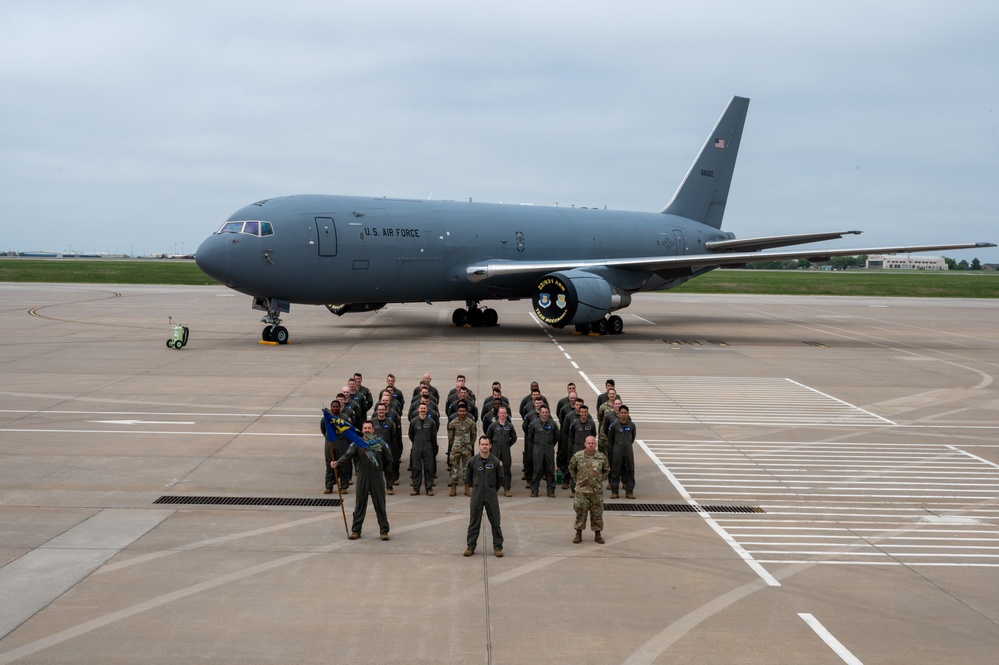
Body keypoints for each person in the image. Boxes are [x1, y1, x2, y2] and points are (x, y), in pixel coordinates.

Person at [330, 421, 392, 540]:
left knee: (380, 505)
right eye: (365, 428)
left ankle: (384, 531)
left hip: (377, 477)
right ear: (362, 430)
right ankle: (356, 530)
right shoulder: (356, 444)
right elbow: (348, 455)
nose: (367, 430)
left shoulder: (380, 443)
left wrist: (379, 469)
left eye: (369, 428)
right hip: (362, 477)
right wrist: (337, 462)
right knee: (360, 505)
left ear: (373, 430)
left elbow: (389, 458)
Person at [464, 436, 504, 557]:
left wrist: (491, 489)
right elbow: (468, 478)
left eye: (487, 444)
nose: (484, 446)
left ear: (490, 446)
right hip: (477, 494)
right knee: (474, 521)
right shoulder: (472, 462)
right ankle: (470, 546)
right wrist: (476, 487)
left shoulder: (496, 462)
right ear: (479, 446)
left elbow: (500, 478)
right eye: (482, 444)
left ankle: (498, 547)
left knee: (495, 521)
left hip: (491, 494)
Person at [568, 436, 609, 544]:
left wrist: (599, 479)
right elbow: (571, 468)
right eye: (589, 443)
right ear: (585, 444)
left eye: (593, 443)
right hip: (582, 491)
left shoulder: (601, 457)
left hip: (596, 491)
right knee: (580, 513)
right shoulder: (578, 456)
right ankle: (578, 534)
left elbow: (606, 470)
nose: (591, 445)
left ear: (595, 445)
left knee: (597, 514)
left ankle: (598, 534)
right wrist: (577, 480)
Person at [527, 404, 559, 497]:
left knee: (550, 471)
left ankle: (551, 490)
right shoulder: (534, 424)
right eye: (543, 412)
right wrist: (538, 445)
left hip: (549, 449)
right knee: (537, 470)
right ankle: (534, 490)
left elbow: (556, 436)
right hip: (537, 450)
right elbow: (531, 437)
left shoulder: (552, 424)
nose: (544, 414)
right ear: (540, 413)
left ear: (548, 413)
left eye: (546, 412)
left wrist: (550, 445)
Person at [321, 398, 352, 494]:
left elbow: (349, 431)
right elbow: (323, 429)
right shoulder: (326, 418)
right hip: (329, 444)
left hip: (342, 443)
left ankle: (343, 486)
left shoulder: (344, 418)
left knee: (343, 465)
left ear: (340, 407)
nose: (335, 408)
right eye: (333, 407)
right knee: (329, 465)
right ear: (331, 407)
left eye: (336, 407)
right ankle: (329, 486)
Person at [485, 405, 517, 496]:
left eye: (504, 413)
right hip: (495, 450)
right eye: (501, 413)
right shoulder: (493, 426)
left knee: (506, 470)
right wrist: (492, 446)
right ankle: (492, 489)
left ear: (506, 414)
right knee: (493, 470)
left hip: (506, 451)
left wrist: (508, 444)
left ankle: (507, 489)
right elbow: (488, 437)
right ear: (498, 414)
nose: (502, 414)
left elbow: (514, 437)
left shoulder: (510, 426)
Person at [607, 405, 637, 499]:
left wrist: (626, 445)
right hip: (617, 450)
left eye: (625, 413)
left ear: (628, 414)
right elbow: (610, 438)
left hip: (628, 450)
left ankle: (629, 491)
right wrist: (618, 445)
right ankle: (614, 491)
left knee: (630, 470)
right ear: (619, 413)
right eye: (622, 413)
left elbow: (632, 437)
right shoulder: (614, 425)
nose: (623, 415)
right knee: (615, 470)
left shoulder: (631, 425)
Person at [447, 402, 477, 496]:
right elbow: (450, 437)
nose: (462, 413)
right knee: (454, 468)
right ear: (457, 411)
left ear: (466, 411)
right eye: (460, 411)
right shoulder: (453, 423)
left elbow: (474, 436)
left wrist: (470, 445)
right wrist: (454, 445)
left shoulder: (471, 422)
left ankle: (467, 488)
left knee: (467, 468)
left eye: (464, 411)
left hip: (467, 448)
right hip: (456, 448)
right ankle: (453, 487)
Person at [408, 402, 438, 495]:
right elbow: (411, 435)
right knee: (416, 468)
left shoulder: (431, 422)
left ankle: (429, 488)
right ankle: (416, 488)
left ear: (427, 410)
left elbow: (434, 436)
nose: (422, 410)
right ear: (418, 410)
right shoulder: (413, 421)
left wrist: (432, 447)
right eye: (421, 408)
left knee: (429, 468)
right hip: (416, 447)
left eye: (424, 408)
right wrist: (416, 442)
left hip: (428, 447)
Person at [370, 402, 399, 494]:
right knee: (374, 469)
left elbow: (393, 436)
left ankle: (389, 487)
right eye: (379, 410)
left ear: (386, 411)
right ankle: (373, 488)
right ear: (376, 411)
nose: (381, 411)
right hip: (375, 449)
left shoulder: (390, 423)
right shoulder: (372, 422)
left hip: (386, 449)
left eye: (383, 410)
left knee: (388, 469)